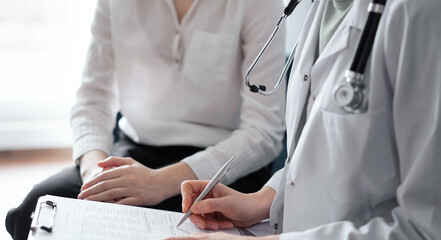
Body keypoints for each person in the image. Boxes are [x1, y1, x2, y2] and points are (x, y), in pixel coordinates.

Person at [5, 1, 287, 239]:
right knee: (34, 210)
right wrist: (95, 174)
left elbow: (264, 132)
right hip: (136, 153)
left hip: (223, 169)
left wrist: (161, 182)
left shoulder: (260, 4)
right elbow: (93, 98)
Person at [166, 0, 441, 239]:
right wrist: (262, 200)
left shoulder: (421, 14)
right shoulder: (320, 6)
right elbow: (319, 153)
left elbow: (426, 228)